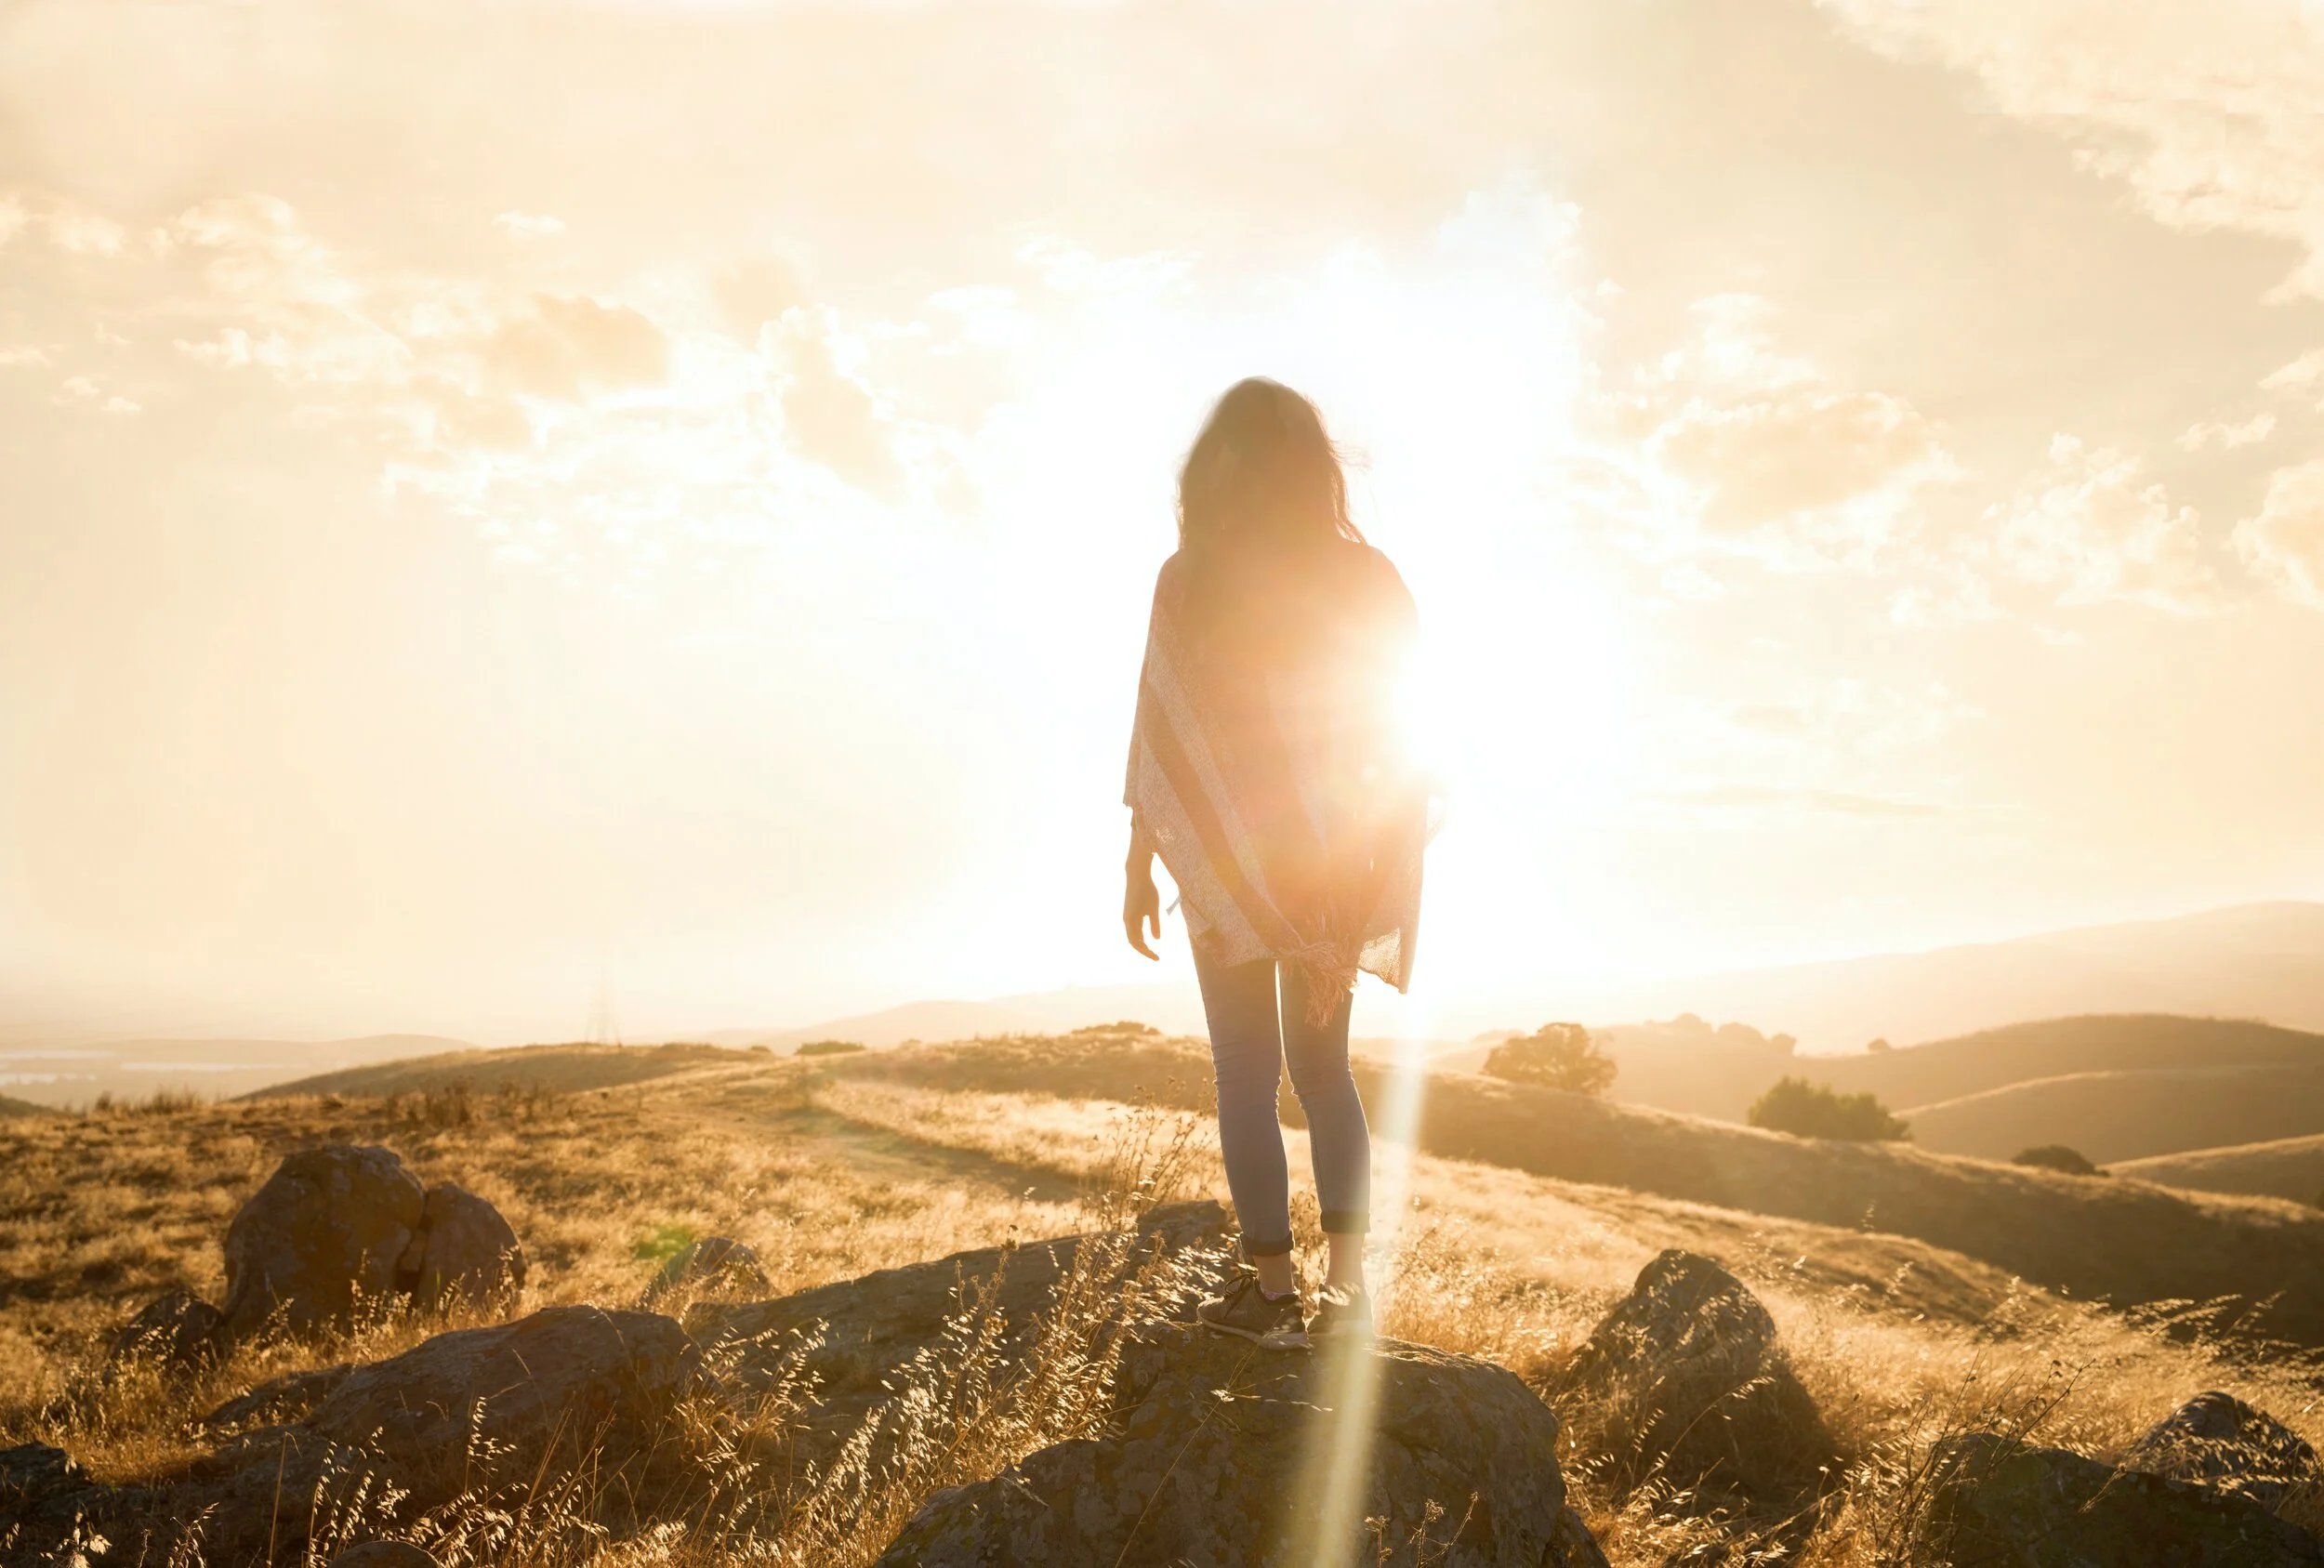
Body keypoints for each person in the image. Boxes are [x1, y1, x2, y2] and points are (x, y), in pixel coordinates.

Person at [1121, 377, 1427, 1350]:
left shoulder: (1192, 577)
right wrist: (1378, 850)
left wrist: (1139, 858)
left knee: (1245, 1078)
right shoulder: (1367, 575)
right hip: (1334, 864)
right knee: (1325, 1074)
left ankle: (1270, 1298)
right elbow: (1402, 727)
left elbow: (1160, 737)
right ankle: (1347, 1299)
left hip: (1229, 860)